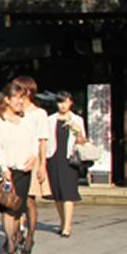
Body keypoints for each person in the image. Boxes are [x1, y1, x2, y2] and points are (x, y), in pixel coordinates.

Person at [0, 82, 35, 254]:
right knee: (7, 207)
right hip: (6, 169)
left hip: (23, 168)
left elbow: (33, 141)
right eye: (16, 97)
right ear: (7, 99)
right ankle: (9, 241)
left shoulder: (27, 119)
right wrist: (3, 167)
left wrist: (33, 157)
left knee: (18, 208)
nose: (20, 101)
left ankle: (16, 237)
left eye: (22, 97)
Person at [12, 76, 50, 253]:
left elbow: (43, 140)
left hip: (33, 160)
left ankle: (30, 236)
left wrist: (42, 164)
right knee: (15, 199)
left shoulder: (39, 114)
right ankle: (16, 232)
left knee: (29, 200)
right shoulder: (12, 111)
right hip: (15, 159)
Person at [46, 91, 86, 237]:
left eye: (65, 102)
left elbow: (83, 141)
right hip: (53, 157)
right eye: (60, 102)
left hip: (69, 159)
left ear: (71, 102)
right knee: (57, 193)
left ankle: (67, 226)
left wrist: (77, 131)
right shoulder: (50, 120)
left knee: (68, 192)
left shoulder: (77, 120)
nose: (62, 105)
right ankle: (62, 221)